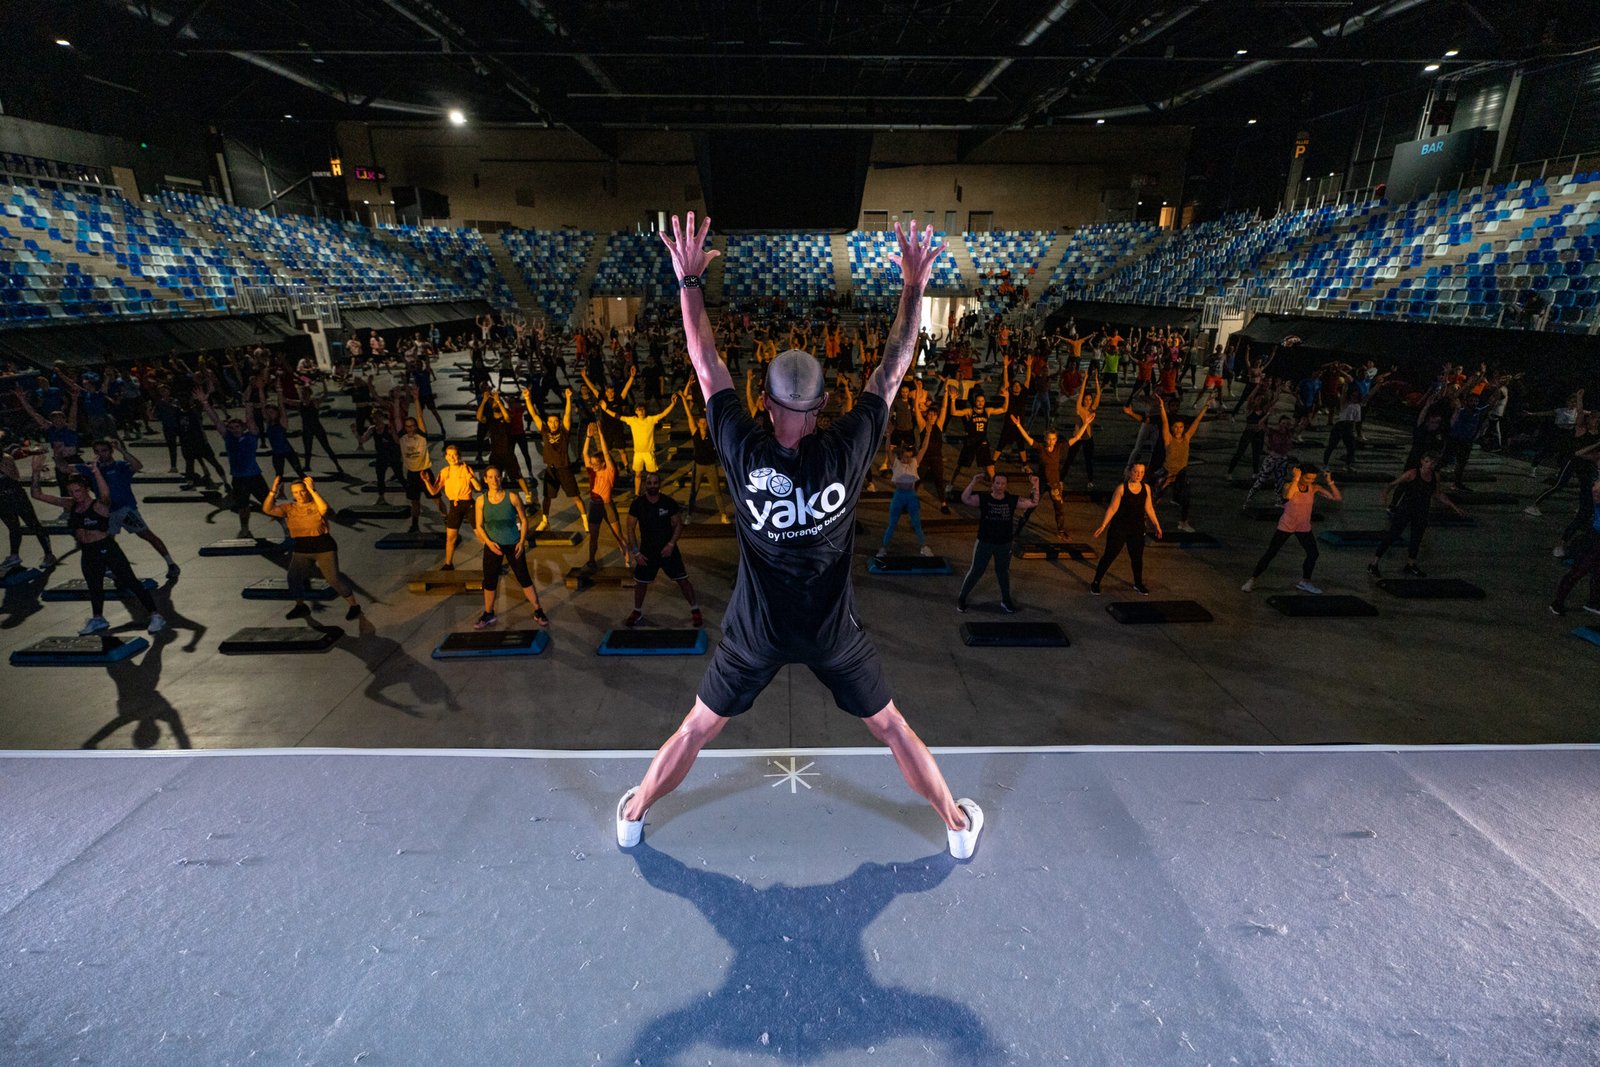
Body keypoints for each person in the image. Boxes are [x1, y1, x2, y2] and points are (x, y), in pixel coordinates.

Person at [618, 213, 982, 862]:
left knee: (696, 728)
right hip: (831, 634)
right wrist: (912, 287)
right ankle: (955, 823)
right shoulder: (845, 450)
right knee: (891, 726)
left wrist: (690, 280)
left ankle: (633, 812)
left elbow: (705, 362)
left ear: (762, 401)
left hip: (755, 635)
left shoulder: (742, 448)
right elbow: (892, 369)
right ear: (822, 407)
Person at [30, 457, 165, 635]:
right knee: (94, 586)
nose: (75, 495)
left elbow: (106, 495)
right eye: (71, 492)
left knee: (131, 581)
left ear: (86, 489)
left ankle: (155, 615)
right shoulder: (70, 504)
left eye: (78, 491)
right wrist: (35, 472)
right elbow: (37, 495)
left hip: (106, 548)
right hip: (88, 551)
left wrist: (96, 472)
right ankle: (98, 619)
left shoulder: (99, 505)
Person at [261, 475, 363, 621]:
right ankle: (301, 606)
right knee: (293, 577)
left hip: (324, 547)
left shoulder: (316, 504)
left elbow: (324, 509)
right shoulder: (289, 508)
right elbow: (267, 509)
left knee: (333, 579)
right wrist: (273, 491)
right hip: (302, 548)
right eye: (295, 492)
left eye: (302, 491)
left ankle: (354, 606)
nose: (299, 495)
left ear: (307, 491)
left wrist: (313, 490)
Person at [80, 438, 179, 578]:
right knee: (106, 541)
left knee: (147, 535)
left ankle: (171, 564)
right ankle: (109, 567)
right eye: (97, 451)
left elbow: (138, 465)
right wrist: (58, 454)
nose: (100, 454)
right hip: (107, 512)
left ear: (111, 451)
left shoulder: (120, 466)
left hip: (125, 510)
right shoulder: (92, 469)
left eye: (104, 451)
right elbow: (64, 468)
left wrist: (121, 449)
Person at [470, 465, 549, 629]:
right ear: (485, 480)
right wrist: (489, 543)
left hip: (513, 544)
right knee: (489, 580)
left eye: (497, 476)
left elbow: (524, 520)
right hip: (493, 545)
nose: (494, 480)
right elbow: (479, 526)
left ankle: (538, 610)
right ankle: (488, 613)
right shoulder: (481, 501)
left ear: (501, 477)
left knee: (523, 577)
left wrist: (521, 542)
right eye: (490, 477)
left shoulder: (512, 497)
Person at [1242, 465, 1341, 594]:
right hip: (1286, 526)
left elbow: (1337, 498)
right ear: (1301, 475)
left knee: (1313, 554)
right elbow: (1288, 496)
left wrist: (1329, 481)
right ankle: (1252, 580)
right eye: (1308, 478)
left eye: (1313, 478)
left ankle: (1305, 582)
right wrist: (1296, 477)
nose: (1310, 481)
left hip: (1303, 526)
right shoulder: (1289, 486)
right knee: (1271, 553)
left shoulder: (1314, 488)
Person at [623, 471, 701, 628]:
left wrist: (671, 544)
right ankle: (637, 611)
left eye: (655, 483)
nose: (652, 486)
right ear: (645, 484)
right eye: (649, 483)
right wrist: (636, 552)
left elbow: (678, 524)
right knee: (641, 583)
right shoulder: (638, 504)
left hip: (667, 550)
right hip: (647, 552)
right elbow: (630, 528)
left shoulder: (668, 502)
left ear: (660, 484)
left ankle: (695, 610)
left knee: (682, 580)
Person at [1368, 455, 1466, 579]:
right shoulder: (1412, 474)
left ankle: (1411, 564)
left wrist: (1454, 507)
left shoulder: (1435, 476)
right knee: (1392, 535)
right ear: (1422, 462)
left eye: (1433, 463)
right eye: (1427, 462)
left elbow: (1438, 493)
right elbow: (1393, 484)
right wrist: (1385, 494)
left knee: (1416, 538)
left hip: (1421, 511)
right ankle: (1374, 564)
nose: (1430, 465)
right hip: (1406, 510)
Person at [955, 471, 1038, 612]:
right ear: (992, 484)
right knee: (976, 571)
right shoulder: (984, 498)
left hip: (1004, 544)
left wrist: (1036, 485)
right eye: (997, 483)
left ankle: (1006, 600)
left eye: (1003, 484)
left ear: (1006, 485)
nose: (1000, 486)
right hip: (985, 542)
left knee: (1003, 573)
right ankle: (961, 598)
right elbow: (965, 499)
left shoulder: (1011, 500)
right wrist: (973, 481)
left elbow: (1033, 502)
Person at [1009, 417, 1093, 544]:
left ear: (1056, 439)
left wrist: (1085, 424)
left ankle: (1061, 531)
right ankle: (1017, 531)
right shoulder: (1041, 448)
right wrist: (1019, 425)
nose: (1051, 441)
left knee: (1059, 508)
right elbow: (1028, 439)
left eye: (1053, 439)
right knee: (1031, 506)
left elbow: (1076, 438)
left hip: (1054, 484)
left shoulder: (1060, 448)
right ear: (1045, 439)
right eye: (1049, 439)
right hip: (1041, 483)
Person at [202, 391, 272, 540]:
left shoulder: (251, 436)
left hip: (254, 477)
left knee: (268, 504)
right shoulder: (228, 438)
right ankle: (245, 529)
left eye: (237, 427)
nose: (234, 430)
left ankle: (285, 526)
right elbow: (216, 420)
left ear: (243, 427)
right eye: (232, 427)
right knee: (243, 507)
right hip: (239, 479)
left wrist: (247, 404)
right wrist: (205, 403)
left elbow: (250, 419)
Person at [1089, 461, 1161, 595]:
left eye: (1141, 472)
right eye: (1136, 472)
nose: (1139, 475)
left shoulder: (1146, 488)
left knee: (1137, 558)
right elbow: (1112, 508)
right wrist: (1103, 525)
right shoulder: (1121, 489)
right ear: (1129, 472)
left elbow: (1149, 508)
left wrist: (1157, 525)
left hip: (1137, 529)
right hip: (1119, 528)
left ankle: (1138, 584)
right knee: (1109, 555)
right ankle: (1096, 582)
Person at [526, 386, 588, 533]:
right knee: (547, 497)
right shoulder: (545, 431)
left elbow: (567, 415)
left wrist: (568, 398)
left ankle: (585, 520)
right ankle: (545, 521)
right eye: (551, 422)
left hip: (564, 469)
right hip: (551, 470)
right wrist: (528, 398)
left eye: (555, 421)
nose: (553, 424)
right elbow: (534, 414)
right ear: (547, 423)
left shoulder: (564, 431)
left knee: (576, 497)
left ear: (559, 423)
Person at [876, 425, 939, 560]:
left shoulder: (914, 462)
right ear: (901, 455)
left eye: (909, 457)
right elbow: (887, 449)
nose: (907, 460)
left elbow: (923, 449)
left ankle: (924, 547)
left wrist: (928, 433)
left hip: (911, 496)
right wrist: (888, 436)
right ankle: (883, 548)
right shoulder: (895, 463)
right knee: (892, 524)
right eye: (905, 457)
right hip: (899, 495)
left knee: (916, 523)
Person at [602, 390, 681, 497]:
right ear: (636, 411)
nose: (641, 411)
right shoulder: (632, 420)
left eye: (643, 409)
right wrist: (606, 409)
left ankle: (656, 491)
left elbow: (663, 414)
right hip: (638, 453)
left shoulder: (651, 419)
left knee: (653, 475)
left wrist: (672, 404)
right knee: (637, 475)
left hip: (649, 452)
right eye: (639, 410)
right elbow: (617, 416)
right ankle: (637, 493)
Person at [1154, 395, 1210, 533]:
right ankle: (1143, 518)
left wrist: (1206, 406)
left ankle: (1183, 522)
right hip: (1167, 473)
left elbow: (1196, 421)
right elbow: (1165, 422)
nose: (1179, 429)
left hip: (1181, 474)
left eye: (1181, 427)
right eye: (1176, 427)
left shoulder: (1186, 438)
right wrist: (1161, 406)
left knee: (1186, 499)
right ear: (1172, 428)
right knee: (1155, 498)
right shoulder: (1168, 439)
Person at [424, 445, 481, 570]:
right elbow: (433, 491)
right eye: (449, 455)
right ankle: (448, 564)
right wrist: (427, 481)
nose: (452, 457)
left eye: (454, 455)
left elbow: (478, 488)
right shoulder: (444, 472)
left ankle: (495, 560)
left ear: (459, 456)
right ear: (445, 457)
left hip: (469, 505)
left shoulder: (466, 468)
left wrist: (469, 476)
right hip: (454, 507)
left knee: (481, 535)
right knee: (450, 538)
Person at [0, 439, 55, 572]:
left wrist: (3, 468)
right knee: (13, 527)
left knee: (33, 524)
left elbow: (16, 476)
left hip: (16, 496)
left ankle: (49, 554)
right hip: (2, 499)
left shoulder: (5, 458)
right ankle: (14, 555)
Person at [1549, 480, 1600, 616]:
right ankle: (1557, 603)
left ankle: (1593, 603)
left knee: (1598, 572)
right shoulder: (1597, 488)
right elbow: (1596, 490)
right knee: (1579, 570)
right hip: (1596, 538)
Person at [682, 382, 729, 523]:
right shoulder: (695, 432)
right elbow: (689, 416)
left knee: (717, 491)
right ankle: (689, 515)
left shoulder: (711, 434)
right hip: (698, 466)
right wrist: (684, 401)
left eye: (705, 423)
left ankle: (723, 515)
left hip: (710, 466)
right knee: (693, 492)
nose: (703, 425)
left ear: (707, 424)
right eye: (701, 423)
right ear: (698, 424)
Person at [581, 425, 626, 571]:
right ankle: (591, 560)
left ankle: (628, 559)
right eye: (592, 463)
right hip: (595, 506)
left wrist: (600, 434)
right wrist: (588, 437)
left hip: (607, 505)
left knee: (618, 534)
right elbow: (585, 454)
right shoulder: (592, 472)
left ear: (603, 464)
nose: (593, 465)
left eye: (596, 463)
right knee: (593, 537)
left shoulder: (609, 472)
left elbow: (606, 453)